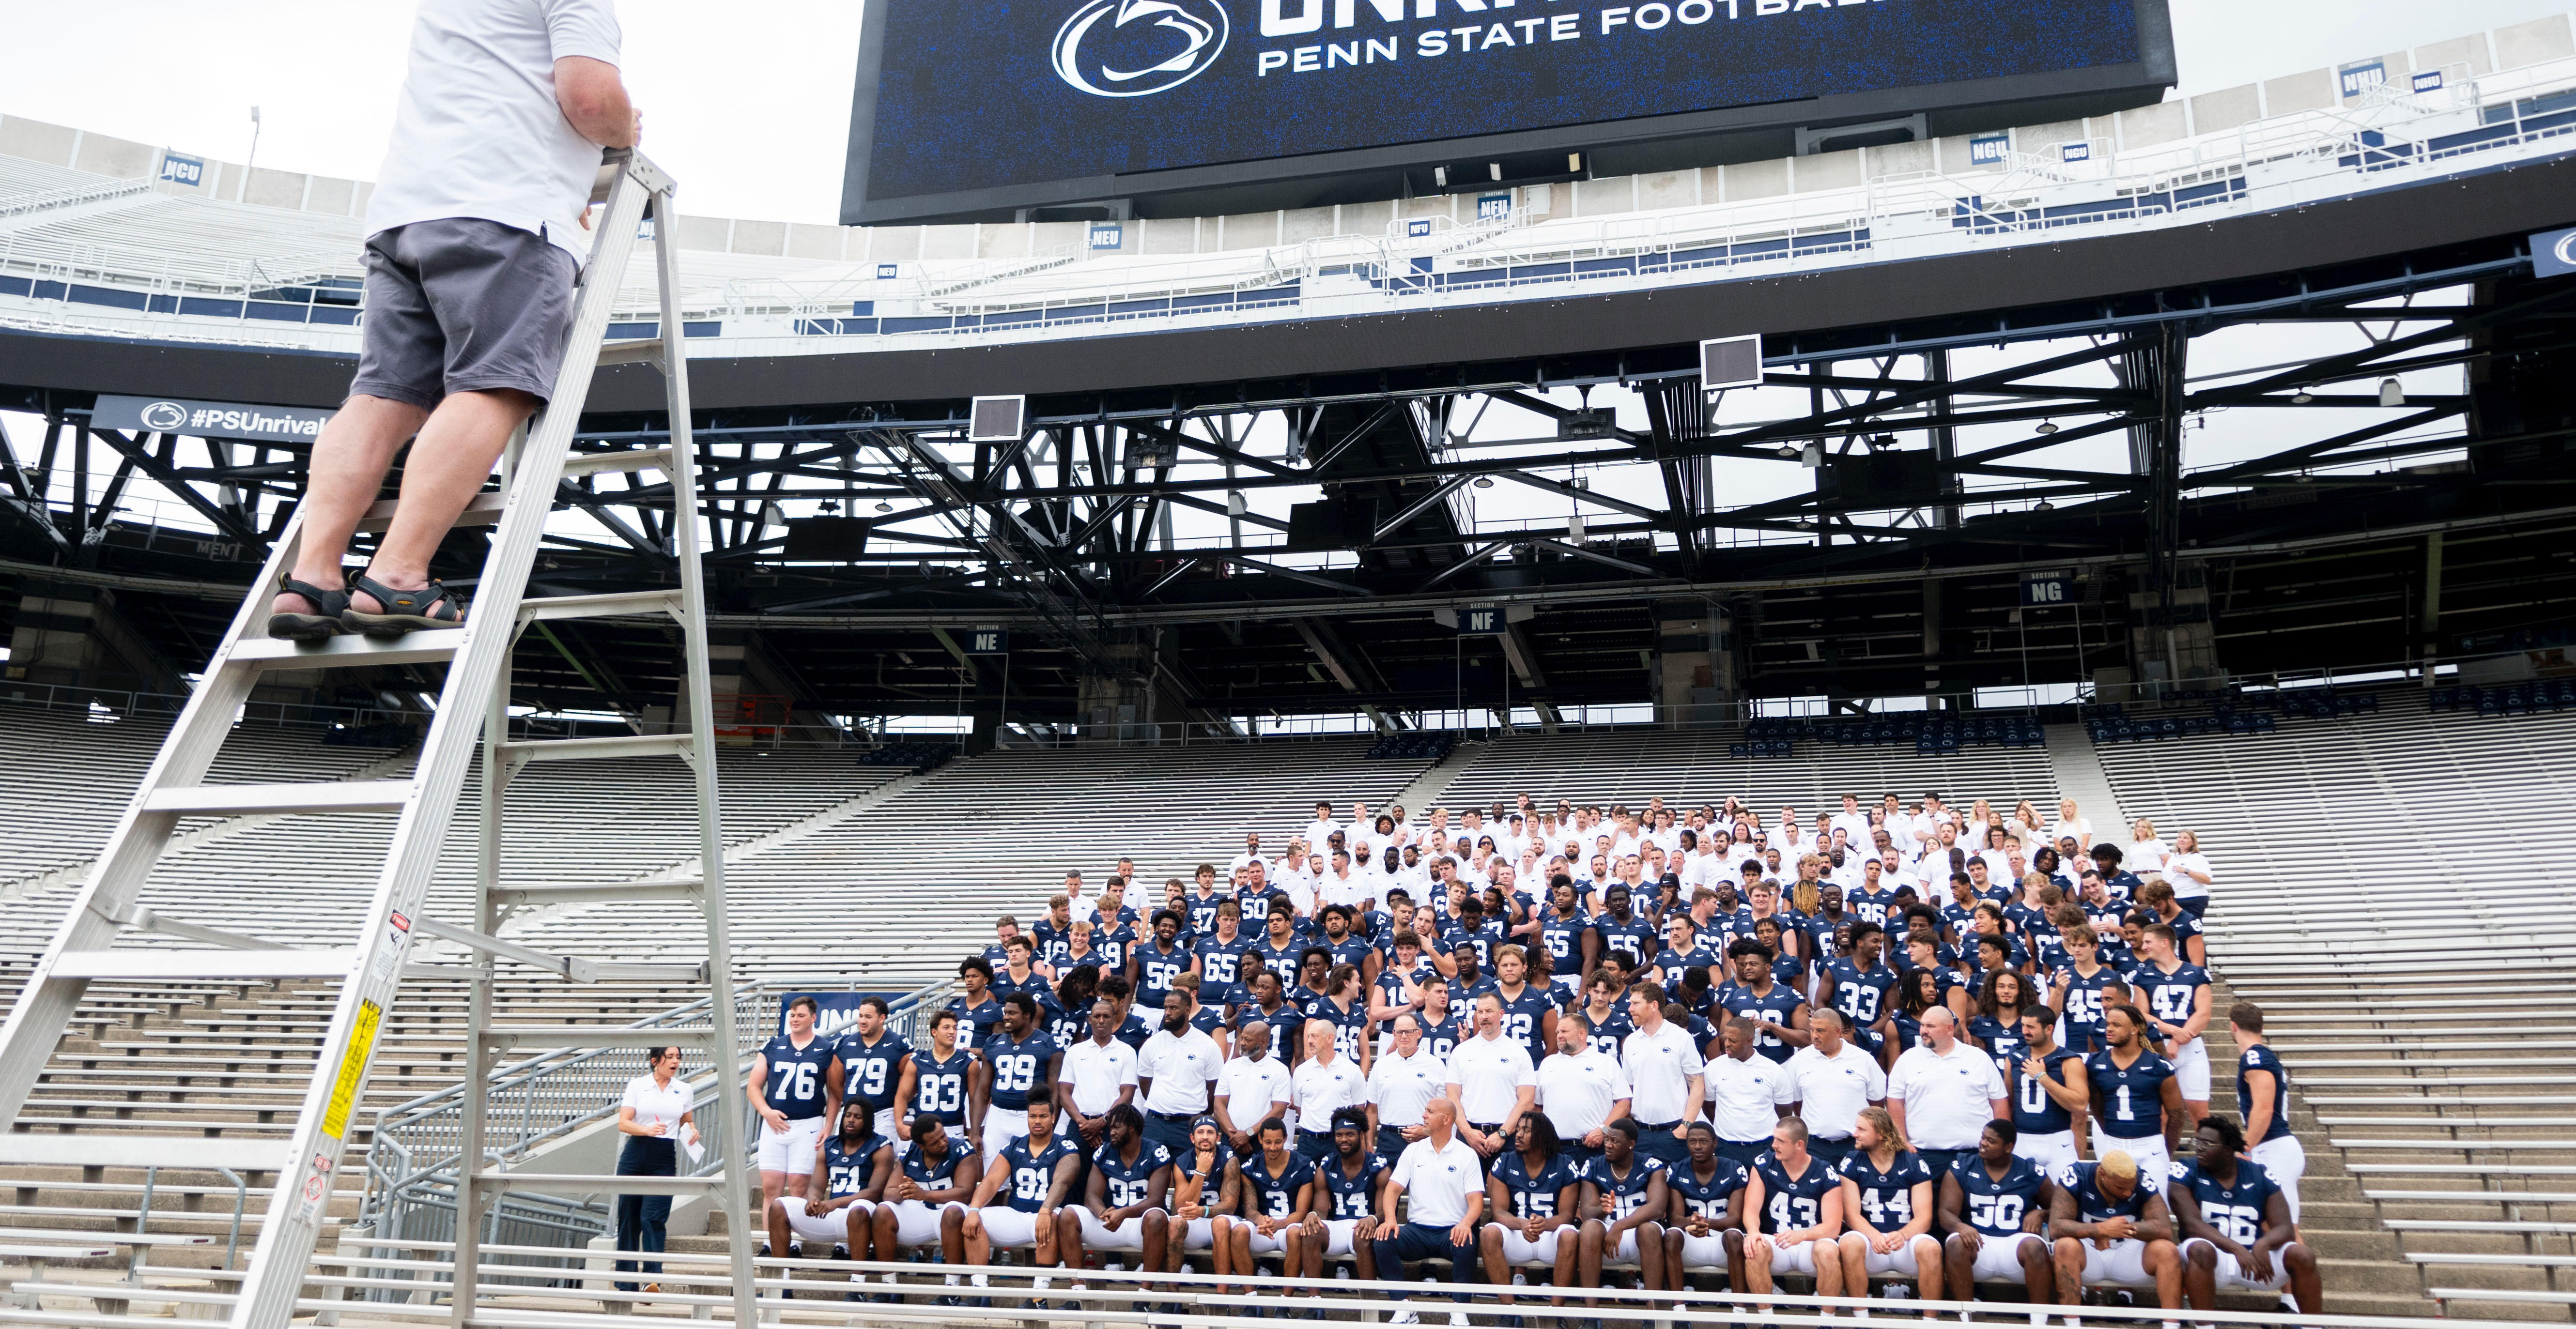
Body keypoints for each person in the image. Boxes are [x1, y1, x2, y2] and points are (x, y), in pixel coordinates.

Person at [263, 0, 636, 643]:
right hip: (508, 208)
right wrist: (628, 131)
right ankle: (399, 576)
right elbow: (589, 97)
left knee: (382, 396)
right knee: (494, 386)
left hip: (406, 212)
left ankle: (313, 576)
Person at [2171, 1115, 2321, 1316]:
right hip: (2213, 1260)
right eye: (2198, 1142)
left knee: (2303, 1255)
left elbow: (2285, 1228)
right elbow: (2191, 1225)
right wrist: (2237, 1249)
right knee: (2199, 1248)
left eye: (2208, 1143)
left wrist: (2263, 1245)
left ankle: (2314, 1325)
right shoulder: (2186, 1170)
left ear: (2228, 1148)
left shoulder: (2259, 1173)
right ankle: (2205, 1325)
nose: (2199, 1148)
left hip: (2256, 1260)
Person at [1371, 1096, 1487, 1324]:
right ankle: (1403, 1307)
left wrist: (1465, 1224)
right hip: (1417, 1231)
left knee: (1467, 1241)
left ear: (1447, 1120)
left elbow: (1476, 1202)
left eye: (1430, 1112)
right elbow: (1392, 1191)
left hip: (1451, 1232)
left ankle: (1460, 1311)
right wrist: (1392, 1220)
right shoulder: (1414, 1151)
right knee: (1383, 1240)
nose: (1424, 1115)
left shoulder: (1467, 1155)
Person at [961, 1089, 1082, 1298]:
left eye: (1043, 1116)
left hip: (1045, 1214)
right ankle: (980, 1292)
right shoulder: (1015, 1145)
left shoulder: (1064, 1146)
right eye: (1033, 1116)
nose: (1037, 1121)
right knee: (975, 1218)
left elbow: (1063, 1181)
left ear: (1053, 1118)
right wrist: (974, 1209)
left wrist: (1046, 1210)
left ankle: (1038, 1296)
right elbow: (991, 1181)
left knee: (1052, 1219)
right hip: (1016, 1214)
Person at [769, 1100, 894, 1299]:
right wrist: (813, 1200)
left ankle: (858, 1288)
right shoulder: (830, 1145)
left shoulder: (881, 1146)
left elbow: (875, 1192)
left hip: (862, 1215)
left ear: (868, 1121)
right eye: (848, 1116)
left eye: (858, 1117)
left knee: (859, 1208)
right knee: (779, 1206)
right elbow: (817, 1186)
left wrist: (836, 1203)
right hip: (832, 1213)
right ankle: (781, 1285)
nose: (851, 1121)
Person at [1937, 1119, 2055, 1319]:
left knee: (2036, 1246)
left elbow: (2061, 1209)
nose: (1983, 1143)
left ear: (2008, 1147)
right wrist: (1960, 1226)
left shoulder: (2029, 1171)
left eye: (1991, 1141)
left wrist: (2041, 1213)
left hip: (2015, 1245)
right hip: (1979, 1244)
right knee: (1956, 1244)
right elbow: (1945, 1212)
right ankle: (1966, 1318)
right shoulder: (1963, 1166)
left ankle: (2039, 1320)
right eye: (1983, 1137)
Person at [1833, 1104, 1944, 1315]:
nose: (1854, 1134)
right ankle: (1861, 1317)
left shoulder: (1912, 1162)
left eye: (1862, 1130)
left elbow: (1925, 1217)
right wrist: (1874, 1236)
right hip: (1870, 1241)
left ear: (1881, 1134)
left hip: (1906, 1242)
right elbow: (1851, 1214)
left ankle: (1931, 1320)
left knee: (1931, 1248)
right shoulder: (1852, 1162)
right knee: (1849, 1243)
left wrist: (1903, 1234)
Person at [2048, 1150, 2184, 1320]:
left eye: (2131, 1187)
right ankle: (2072, 1324)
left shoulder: (2142, 1177)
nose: (2128, 1193)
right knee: (2065, 1246)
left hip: (2126, 1254)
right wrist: (2101, 1230)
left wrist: (2120, 1230)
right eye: (2121, 1188)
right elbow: (2056, 1226)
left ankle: (2172, 1325)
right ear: (2103, 1174)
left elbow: (2164, 1228)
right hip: (2087, 1253)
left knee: (2167, 1250)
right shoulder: (2077, 1174)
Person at [1884, 1007, 2007, 1179]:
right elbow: (1895, 1101)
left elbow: (1999, 1102)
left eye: (1930, 1026)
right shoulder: (1907, 1059)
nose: (1924, 1031)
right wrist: (1902, 1141)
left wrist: (1999, 1144)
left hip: (1974, 1155)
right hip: (1924, 1154)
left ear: (1950, 1029)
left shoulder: (1979, 1058)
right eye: (1922, 1026)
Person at [1059, 1103, 1175, 1278]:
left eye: (1117, 1128)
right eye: (1111, 1127)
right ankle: (1077, 1292)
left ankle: (1145, 1294)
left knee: (1156, 1217)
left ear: (1132, 1128)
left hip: (1141, 1223)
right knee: (1068, 1214)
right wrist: (1103, 1211)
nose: (1111, 1132)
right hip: (1112, 1222)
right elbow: (1091, 1196)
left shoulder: (1155, 1152)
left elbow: (1156, 1200)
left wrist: (1124, 1213)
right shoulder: (1104, 1152)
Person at [1481, 1115, 1584, 1309]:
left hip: (1551, 1235)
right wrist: (1522, 1224)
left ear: (1542, 1136)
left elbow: (1567, 1216)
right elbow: (1499, 1211)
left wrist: (1544, 1224)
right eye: (1518, 1130)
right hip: (1518, 1234)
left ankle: (1556, 1312)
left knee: (1570, 1235)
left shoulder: (1564, 1164)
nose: (1518, 1135)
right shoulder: (1505, 1161)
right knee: (1489, 1233)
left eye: (1526, 1131)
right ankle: (1509, 1313)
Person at [1742, 1116, 1846, 1307]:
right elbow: (1751, 1209)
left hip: (1810, 1242)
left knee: (1829, 1251)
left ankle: (1827, 1321)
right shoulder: (1765, 1164)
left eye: (1781, 1141)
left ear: (1799, 1145)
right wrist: (1753, 1231)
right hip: (1776, 1240)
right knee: (1754, 1248)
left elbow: (1833, 1227)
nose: (1774, 1145)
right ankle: (1768, 1321)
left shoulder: (1824, 1172)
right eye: (1774, 1139)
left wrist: (1802, 1235)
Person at [873, 1115, 979, 1298]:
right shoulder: (911, 1151)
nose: (943, 1142)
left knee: (953, 1210)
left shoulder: (961, 1148)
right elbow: (889, 1192)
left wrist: (924, 1194)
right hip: (920, 1215)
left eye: (943, 1136)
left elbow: (965, 1193)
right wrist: (907, 1192)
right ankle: (889, 1287)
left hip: (950, 1217)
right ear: (921, 1146)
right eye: (935, 1142)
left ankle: (952, 1290)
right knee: (882, 1211)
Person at [752, 997, 837, 1223]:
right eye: (792, 1015)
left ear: (813, 1018)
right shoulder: (773, 1046)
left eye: (801, 1015)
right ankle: (770, 1243)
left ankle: (796, 1243)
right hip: (774, 1124)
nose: (795, 1019)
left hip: (808, 1122)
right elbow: (754, 1086)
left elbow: (835, 1093)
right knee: (771, 1187)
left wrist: (828, 1127)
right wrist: (766, 1112)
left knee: (799, 1186)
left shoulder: (826, 1049)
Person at [614, 1045, 691, 1294]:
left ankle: (652, 1280)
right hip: (636, 1152)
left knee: (653, 1217)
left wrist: (693, 1131)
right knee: (629, 1218)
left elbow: (687, 1123)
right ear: (655, 1061)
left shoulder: (684, 1089)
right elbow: (624, 1123)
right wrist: (646, 1130)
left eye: (678, 1057)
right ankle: (626, 1282)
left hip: (664, 1156)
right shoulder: (638, 1085)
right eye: (670, 1057)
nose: (676, 1062)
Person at [2127, 923, 2213, 1129]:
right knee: (2161, 1113)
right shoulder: (2142, 976)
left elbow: (2204, 1013)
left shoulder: (2196, 974)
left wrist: (2177, 1040)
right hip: (2156, 1047)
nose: (2144, 946)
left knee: (2200, 1112)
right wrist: (2174, 1032)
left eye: (2149, 942)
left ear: (2165, 943)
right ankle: (2161, 1160)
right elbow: (2141, 1014)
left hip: (2191, 1047)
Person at [2086, 1005, 2184, 1181]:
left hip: (2150, 1146)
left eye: (2117, 1025)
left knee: (2157, 1206)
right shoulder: (2095, 1064)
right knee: (2116, 1206)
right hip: (2114, 1145)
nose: (2109, 1029)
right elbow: (2096, 1106)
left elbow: (2176, 1115)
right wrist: (2111, 1134)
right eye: (2108, 1024)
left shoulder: (2158, 1065)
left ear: (2134, 1029)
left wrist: (2164, 1150)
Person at [2229, 1002, 2305, 1223]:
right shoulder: (2258, 1057)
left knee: (2283, 1229)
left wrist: (2245, 1148)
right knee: (2267, 1227)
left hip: (2275, 1147)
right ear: (2261, 1028)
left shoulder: (2256, 1058)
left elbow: (2264, 1108)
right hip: (2272, 1147)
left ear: (2233, 1027)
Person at [1578, 1117, 1670, 1299]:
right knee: (1589, 1228)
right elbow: (1587, 1213)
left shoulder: (1651, 1165)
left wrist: (1620, 1226)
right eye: (1607, 1140)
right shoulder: (1594, 1165)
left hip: (1640, 1240)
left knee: (1649, 1229)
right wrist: (1602, 1210)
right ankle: (1590, 1316)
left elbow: (1657, 1209)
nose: (1608, 1145)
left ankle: (1654, 1315)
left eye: (1615, 1141)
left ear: (1631, 1144)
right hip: (1607, 1241)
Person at [1661, 1122, 1750, 1306]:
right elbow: (1675, 1218)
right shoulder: (1677, 1169)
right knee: (1670, 1236)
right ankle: (1679, 1309)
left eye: (1703, 1141)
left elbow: (1736, 1220)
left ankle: (1739, 1313)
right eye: (1692, 1141)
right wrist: (1691, 1221)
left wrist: (1707, 1223)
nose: (1698, 1147)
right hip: (1692, 1242)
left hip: (1724, 1242)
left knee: (1735, 1236)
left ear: (1715, 1143)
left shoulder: (1734, 1168)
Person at [1302, 1108, 1390, 1290]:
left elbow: (1384, 1212)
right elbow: (1321, 1210)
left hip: (1367, 1226)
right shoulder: (1326, 1167)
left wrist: (1372, 1219)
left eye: (1350, 1134)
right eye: (1339, 1134)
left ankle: (1369, 1305)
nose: (1344, 1139)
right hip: (1339, 1227)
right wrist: (1313, 1214)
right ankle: (1313, 1303)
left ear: (1362, 1135)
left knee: (1362, 1236)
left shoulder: (1378, 1167)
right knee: (1311, 1232)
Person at [1786, 1008, 1885, 1166]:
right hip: (1814, 1146)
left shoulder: (1863, 1059)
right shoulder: (1798, 1061)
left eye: (1820, 1031)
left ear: (1837, 1032)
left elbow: (1877, 1103)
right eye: (1812, 1030)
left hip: (1856, 1145)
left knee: (1854, 1191)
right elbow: (1797, 1103)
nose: (1814, 1036)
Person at [1622, 981, 1706, 1168]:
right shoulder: (1630, 1043)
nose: (1630, 1009)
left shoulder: (1681, 1037)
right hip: (1640, 1132)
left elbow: (1697, 1083)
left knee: (1676, 1190)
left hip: (1674, 1130)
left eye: (1636, 1003)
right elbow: (1629, 1089)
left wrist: (1686, 1126)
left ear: (1654, 1006)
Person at [1448, 992, 1540, 1157]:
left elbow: (1527, 1101)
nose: (1484, 1017)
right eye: (1480, 1012)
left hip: (1508, 1137)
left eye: (1489, 1011)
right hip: (1470, 1136)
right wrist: (1468, 1133)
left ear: (1501, 1014)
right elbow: (1453, 1098)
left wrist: (1503, 1134)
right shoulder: (1461, 1052)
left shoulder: (1518, 1052)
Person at [1536, 1008, 1631, 1170]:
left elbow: (1624, 1102)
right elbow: (1537, 1107)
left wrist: (1604, 1130)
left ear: (1582, 1034)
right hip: (1555, 1150)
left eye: (1565, 1031)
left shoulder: (1605, 1062)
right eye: (1558, 1031)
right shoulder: (1547, 1064)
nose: (1559, 1035)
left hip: (1594, 1148)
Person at [974, 993, 1062, 1165]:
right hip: (998, 1116)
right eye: (1005, 1012)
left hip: (1030, 1116)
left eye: (1012, 1013)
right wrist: (976, 1131)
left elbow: (1054, 1092)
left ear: (1027, 1015)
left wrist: (1051, 1122)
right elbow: (983, 1092)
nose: (1006, 1017)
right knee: (993, 1177)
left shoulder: (1048, 1043)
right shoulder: (993, 1043)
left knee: (1030, 1171)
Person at [1138, 986, 1227, 1155]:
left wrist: (1197, 1114)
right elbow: (1145, 1084)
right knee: (1153, 1176)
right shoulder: (1152, 1044)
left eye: (1173, 1008)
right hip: (1155, 1122)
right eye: (1165, 1008)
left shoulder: (1207, 1045)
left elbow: (1214, 1089)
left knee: (1187, 1175)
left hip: (1189, 1124)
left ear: (1187, 1010)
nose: (1168, 1013)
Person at [1233, 1116, 1320, 1279]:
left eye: (1278, 1142)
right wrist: (1261, 1220)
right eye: (1268, 1142)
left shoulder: (1303, 1165)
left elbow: (1302, 1212)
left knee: (1295, 1234)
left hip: (1290, 1225)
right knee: (1239, 1231)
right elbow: (1250, 1210)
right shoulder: (1251, 1167)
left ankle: (1286, 1298)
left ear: (1286, 1139)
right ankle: (1250, 1297)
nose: (1273, 1148)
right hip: (1264, 1227)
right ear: (1260, 1139)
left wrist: (1278, 1224)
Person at [1167, 1116, 1243, 1292]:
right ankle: (1171, 1295)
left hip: (1225, 1220)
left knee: (1221, 1223)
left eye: (1210, 1132)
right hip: (1197, 1221)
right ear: (1193, 1138)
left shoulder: (1229, 1159)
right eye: (1200, 1133)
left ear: (1218, 1137)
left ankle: (1222, 1295)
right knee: (1175, 1223)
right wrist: (1200, 1172)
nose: (1205, 1137)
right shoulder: (1183, 1161)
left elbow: (1230, 1206)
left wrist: (1204, 1211)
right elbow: (1181, 1206)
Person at [2009, 1007, 2089, 1174]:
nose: (2025, 1031)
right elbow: (2008, 1102)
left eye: (2031, 1027)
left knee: (2062, 1198)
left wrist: (2041, 1077)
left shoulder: (2069, 1060)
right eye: (2023, 1025)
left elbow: (2080, 1105)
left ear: (2049, 1029)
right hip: (2022, 1140)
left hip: (2058, 1142)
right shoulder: (2014, 1058)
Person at [831, 997, 911, 1156]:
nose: (862, 1021)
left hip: (883, 1113)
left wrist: (894, 1101)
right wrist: (853, 1103)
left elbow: (910, 1081)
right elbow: (835, 1084)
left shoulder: (898, 1044)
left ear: (882, 1018)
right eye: (860, 1016)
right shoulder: (846, 1044)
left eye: (868, 1017)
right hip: (851, 1114)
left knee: (881, 1155)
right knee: (843, 1156)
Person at [1057, 997, 1140, 1149]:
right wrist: (1084, 1125)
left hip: (1112, 1127)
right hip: (1079, 1126)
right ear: (1090, 1020)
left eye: (1106, 1016)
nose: (1101, 1020)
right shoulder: (1075, 1051)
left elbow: (1128, 1094)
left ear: (1114, 1020)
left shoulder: (1127, 1052)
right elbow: (1064, 1092)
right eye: (1097, 1016)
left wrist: (1102, 1121)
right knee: (1075, 1171)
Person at [1369, 1012, 1450, 1160]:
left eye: (1409, 1032)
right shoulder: (1381, 1066)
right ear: (1393, 1034)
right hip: (1388, 1140)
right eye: (1399, 1032)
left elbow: (1446, 1109)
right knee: (1385, 1182)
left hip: (1424, 1140)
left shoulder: (1435, 1065)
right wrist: (1369, 1143)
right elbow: (1372, 1110)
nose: (1404, 1036)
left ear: (1419, 1033)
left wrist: (1428, 1131)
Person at [1214, 1019, 1294, 1157]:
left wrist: (1248, 1134)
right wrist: (1235, 1136)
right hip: (1231, 1139)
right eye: (1242, 1038)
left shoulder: (1279, 1070)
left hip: (1261, 1141)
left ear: (1263, 1042)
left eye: (1248, 1040)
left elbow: (1279, 1111)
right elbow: (1219, 1105)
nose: (1243, 1043)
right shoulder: (1230, 1066)